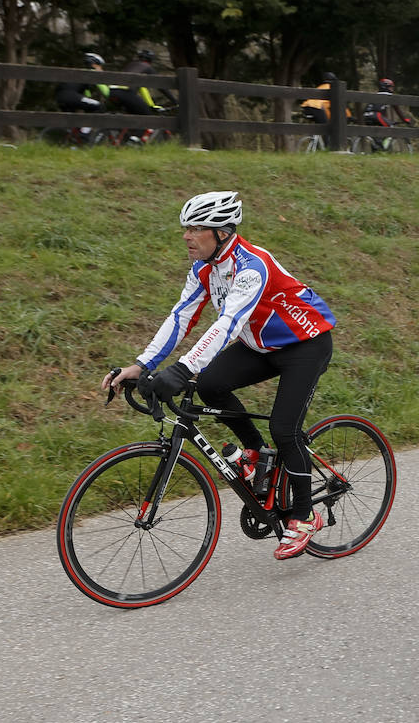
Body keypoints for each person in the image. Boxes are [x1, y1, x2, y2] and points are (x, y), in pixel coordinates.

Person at [101, 192, 337, 560]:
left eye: (196, 229)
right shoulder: (203, 269)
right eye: (186, 229)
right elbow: (181, 316)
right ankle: (258, 455)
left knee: (285, 428)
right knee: (210, 385)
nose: (186, 237)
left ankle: (305, 516)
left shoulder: (251, 265)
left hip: (304, 345)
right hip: (260, 345)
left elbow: (228, 324)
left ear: (223, 233)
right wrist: (142, 364)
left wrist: (181, 368)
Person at [107, 49, 170, 117]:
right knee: (147, 115)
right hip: (125, 92)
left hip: (112, 91)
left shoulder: (131, 66)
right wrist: (175, 102)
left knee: (133, 114)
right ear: (150, 60)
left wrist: (151, 105)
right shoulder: (147, 67)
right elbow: (161, 86)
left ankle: (124, 127)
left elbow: (143, 90)